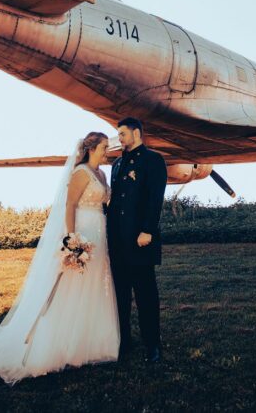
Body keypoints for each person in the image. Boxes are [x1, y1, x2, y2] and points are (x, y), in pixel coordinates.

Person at [0, 132, 119, 384]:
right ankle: (58, 343)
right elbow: (70, 205)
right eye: (104, 146)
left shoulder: (101, 174)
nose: (107, 150)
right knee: (71, 286)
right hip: (83, 230)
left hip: (100, 231)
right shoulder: (81, 173)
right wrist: (72, 238)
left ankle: (89, 341)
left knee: (95, 284)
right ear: (91, 149)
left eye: (107, 146)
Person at [107, 117, 168, 364]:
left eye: (122, 134)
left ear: (136, 133)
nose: (118, 138)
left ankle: (153, 344)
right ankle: (124, 341)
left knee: (146, 295)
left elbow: (155, 198)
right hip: (117, 241)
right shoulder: (117, 163)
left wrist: (147, 230)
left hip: (140, 239)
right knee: (119, 295)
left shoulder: (154, 160)